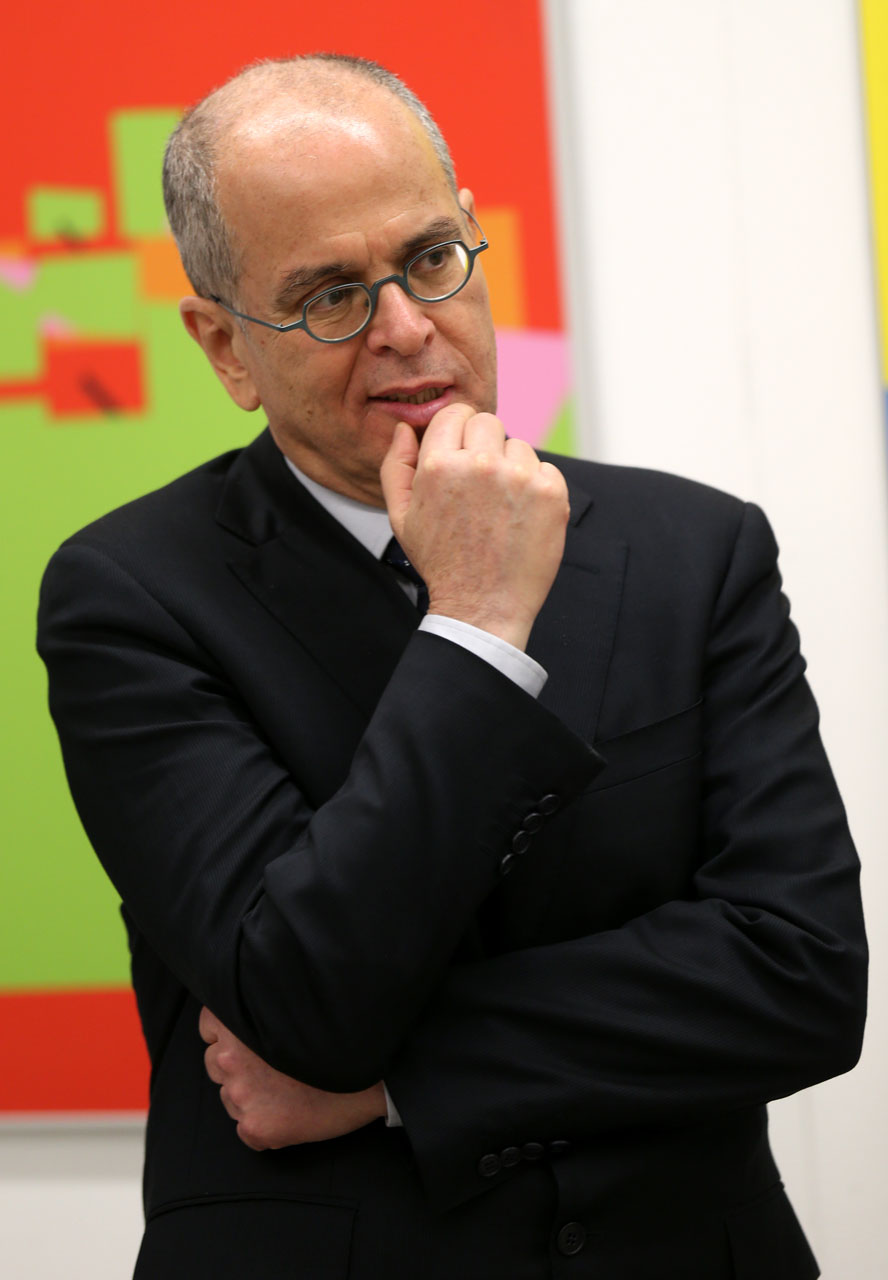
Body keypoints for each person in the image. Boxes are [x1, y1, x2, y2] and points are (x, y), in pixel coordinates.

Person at [37, 54, 866, 1280]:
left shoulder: (698, 548)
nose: (406, 327)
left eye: (430, 259)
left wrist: (398, 1081)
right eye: (329, 295)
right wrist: (477, 620)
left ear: (474, 241)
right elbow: (306, 993)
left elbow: (801, 977)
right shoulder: (131, 595)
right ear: (223, 346)